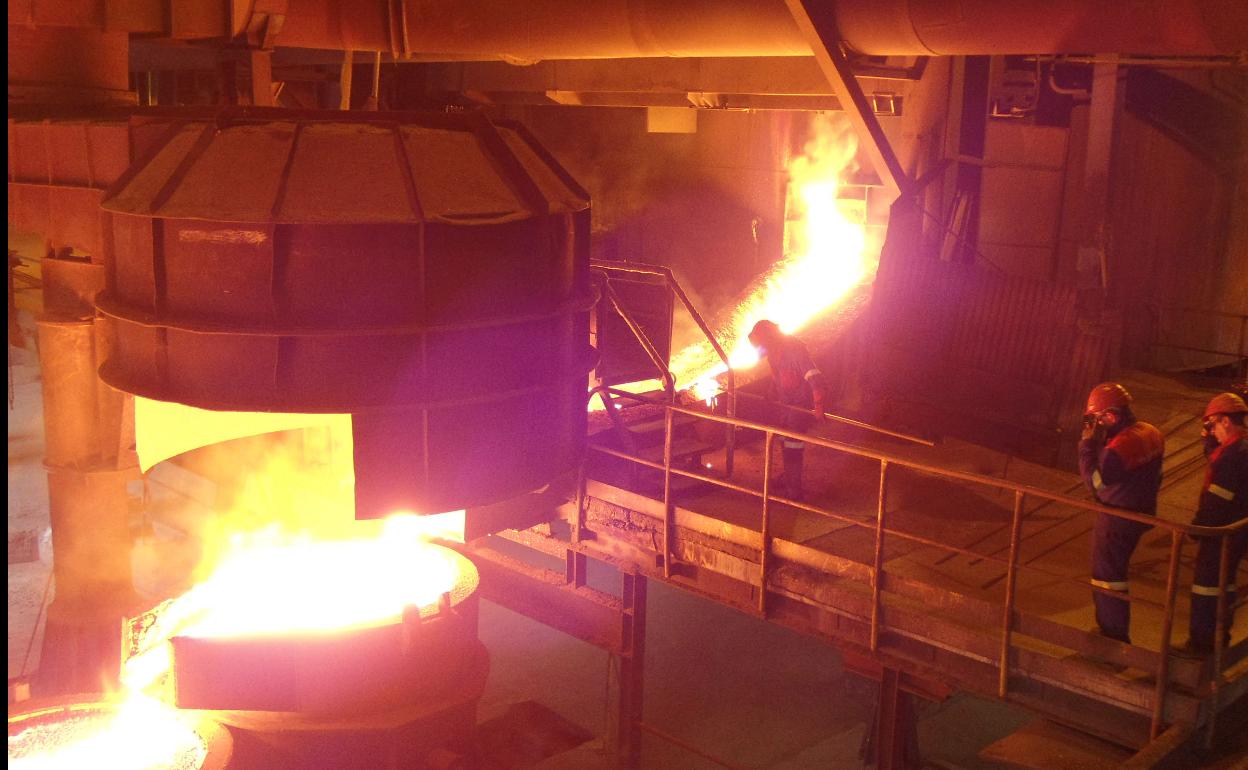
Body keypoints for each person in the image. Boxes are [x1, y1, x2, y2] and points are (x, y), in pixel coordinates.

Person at [1078, 382, 1164, 644]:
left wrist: (1087, 446)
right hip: (1140, 511)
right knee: (1114, 572)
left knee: (1107, 577)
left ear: (1110, 416)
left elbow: (1095, 482)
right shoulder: (1150, 432)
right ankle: (1114, 633)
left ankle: (1113, 636)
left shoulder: (1118, 449)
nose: (1094, 425)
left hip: (1117, 517)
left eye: (1096, 419)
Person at [1184, 391, 1248, 654]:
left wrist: (1197, 529)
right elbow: (1219, 460)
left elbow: (1217, 500)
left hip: (1219, 534)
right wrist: (1209, 443)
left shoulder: (1233, 455)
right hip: (1236, 533)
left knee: (1206, 587)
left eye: (1212, 425)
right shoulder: (1240, 448)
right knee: (1225, 585)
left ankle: (1202, 645)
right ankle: (1218, 640)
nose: (1211, 432)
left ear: (1225, 421)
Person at [747, 320, 829, 502]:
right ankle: (789, 477)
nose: (760, 350)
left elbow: (815, 378)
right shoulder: (774, 352)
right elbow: (778, 377)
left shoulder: (794, 350)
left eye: (761, 345)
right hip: (786, 406)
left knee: (793, 446)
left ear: (768, 339)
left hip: (798, 407)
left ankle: (794, 490)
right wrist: (771, 392)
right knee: (785, 442)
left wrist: (818, 405)